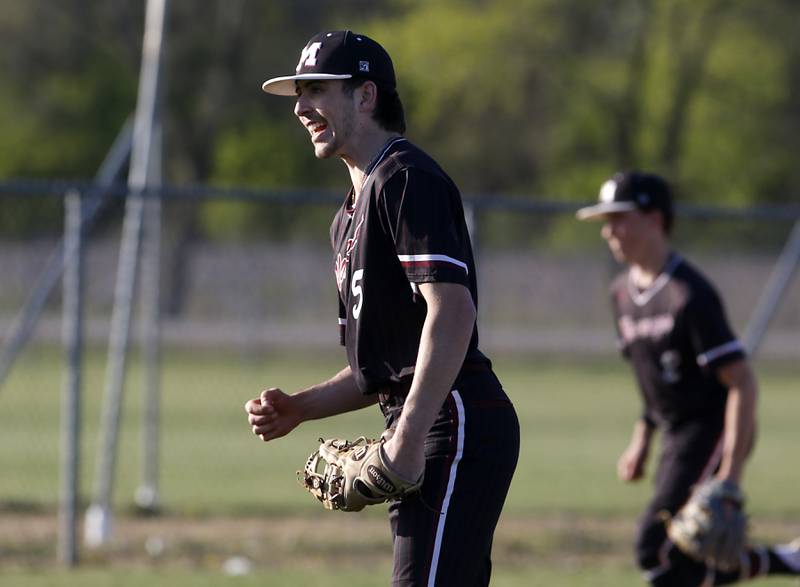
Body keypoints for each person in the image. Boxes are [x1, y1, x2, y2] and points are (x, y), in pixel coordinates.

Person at [245, 30, 520, 586]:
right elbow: (382, 365)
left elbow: (453, 312)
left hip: (455, 420)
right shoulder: (346, 217)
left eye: (317, 89)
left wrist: (410, 437)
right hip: (424, 424)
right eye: (299, 93)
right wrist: (302, 406)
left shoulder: (403, 177)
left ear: (366, 95)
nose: (301, 107)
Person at [576, 170, 800, 586]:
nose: (610, 232)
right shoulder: (621, 293)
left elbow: (742, 381)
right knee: (683, 555)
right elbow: (649, 379)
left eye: (619, 219)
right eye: (606, 223)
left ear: (655, 219)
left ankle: (783, 561)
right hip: (675, 436)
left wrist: (730, 478)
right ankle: (783, 561)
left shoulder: (688, 293)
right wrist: (642, 438)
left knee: (652, 547)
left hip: (713, 427)